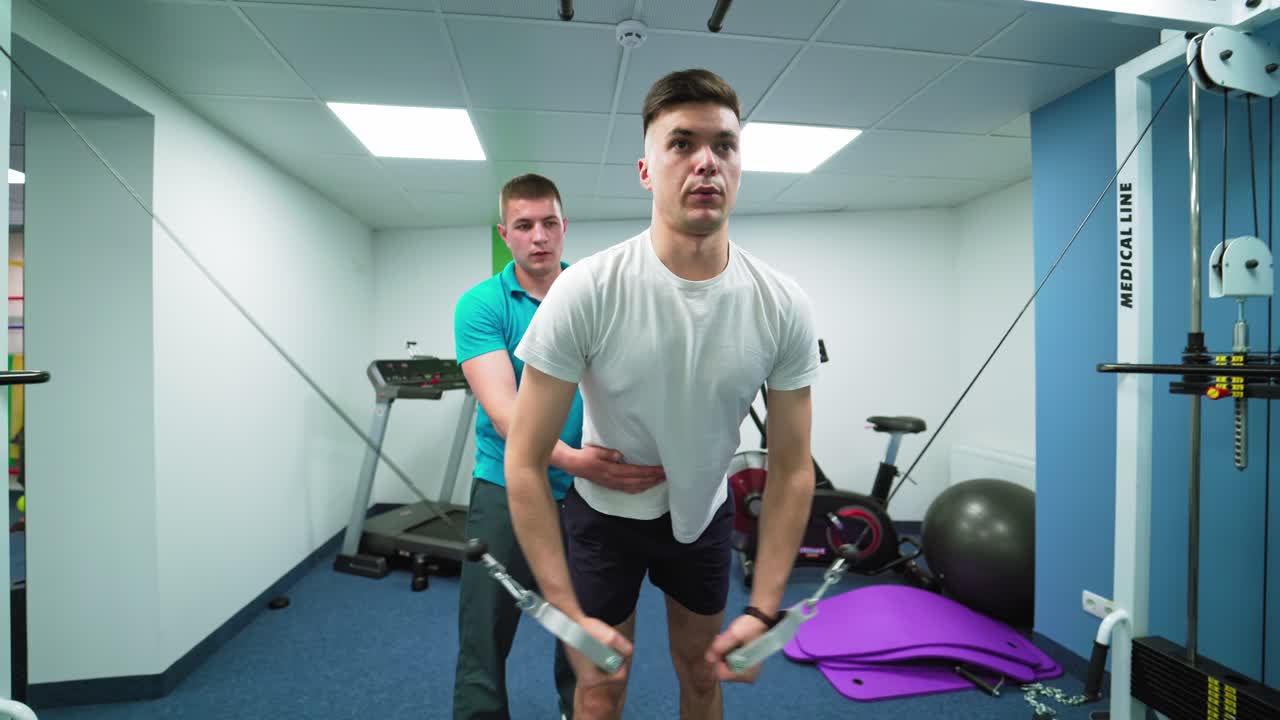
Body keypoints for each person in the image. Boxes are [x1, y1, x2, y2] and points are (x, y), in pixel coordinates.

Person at [503, 69, 821, 720]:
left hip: (702, 517)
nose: (706, 161)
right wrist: (565, 615)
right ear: (646, 170)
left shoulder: (782, 302)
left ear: (739, 165)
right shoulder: (586, 290)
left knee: (703, 680)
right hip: (603, 522)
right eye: (681, 144)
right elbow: (525, 459)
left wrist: (763, 608)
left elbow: (790, 468)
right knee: (600, 686)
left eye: (724, 146)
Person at [451, 173, 668, 720]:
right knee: (485, 631)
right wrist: (577, 462)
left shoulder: (594, 294)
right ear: (506, 234)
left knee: (583, 625)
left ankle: (580, 711)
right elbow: (507, 415)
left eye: (549, 223)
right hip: (506, 484)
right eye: (524, 226)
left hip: (585, 497)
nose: (539, 236)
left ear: (564, 227)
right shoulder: (481, 305)